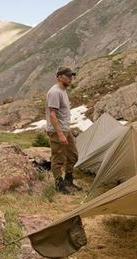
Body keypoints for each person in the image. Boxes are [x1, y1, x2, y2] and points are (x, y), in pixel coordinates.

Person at [46, 66, 82, 194]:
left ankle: (68, 180)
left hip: (65, 129)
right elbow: (52, 115)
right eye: (68, 76)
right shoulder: (55, 92)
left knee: (73, 156)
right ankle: (59, 184)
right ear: (59, 77)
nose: (71, 78)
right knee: (58, 158)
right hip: (57, 131)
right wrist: (60, 134)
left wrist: (66, 130)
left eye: (72, 76)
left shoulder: (63, 90)